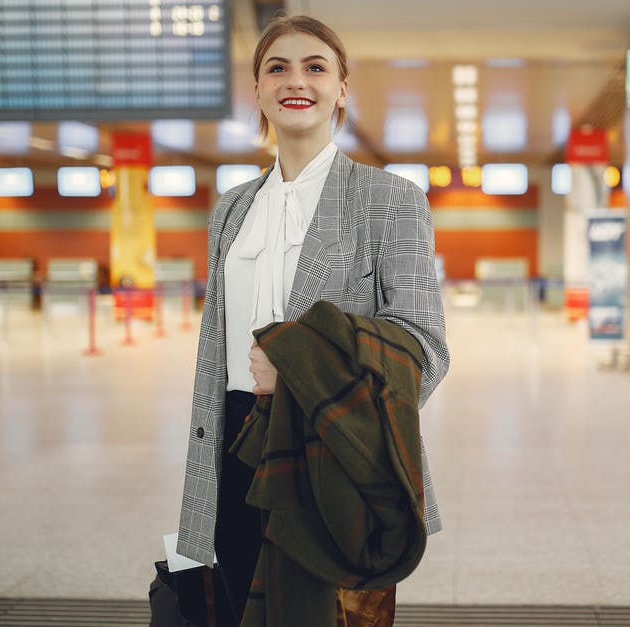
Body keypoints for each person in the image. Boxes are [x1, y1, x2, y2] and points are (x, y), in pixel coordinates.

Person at [173, 13, 450, 626]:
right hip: (235, 451)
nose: (296, 80)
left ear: (342, 89)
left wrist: (302, 369)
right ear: (258, 92)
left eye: (315, 67)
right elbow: (213, 358)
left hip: (334, 451)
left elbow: (426, 352)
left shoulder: (392, 201)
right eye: (278, 67)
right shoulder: (232, 209)